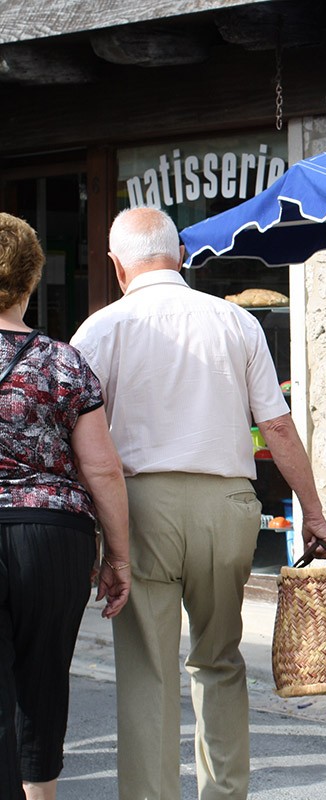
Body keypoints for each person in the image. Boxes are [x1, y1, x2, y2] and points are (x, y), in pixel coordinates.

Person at [70, 207, 326, 800]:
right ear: (183, 256)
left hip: (141, 505)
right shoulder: (235, 322)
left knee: (149, 672)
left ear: (117, 266)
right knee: (219, 659)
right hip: (228, 506)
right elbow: (279, 427)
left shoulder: (100, 329)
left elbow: (84, 445)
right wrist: (313, 513)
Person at [0, 213, 131, 799]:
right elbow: (101, 466)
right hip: (52, 534)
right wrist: (118, 557)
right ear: (32, 280)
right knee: (44, 678)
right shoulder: (61, 361)